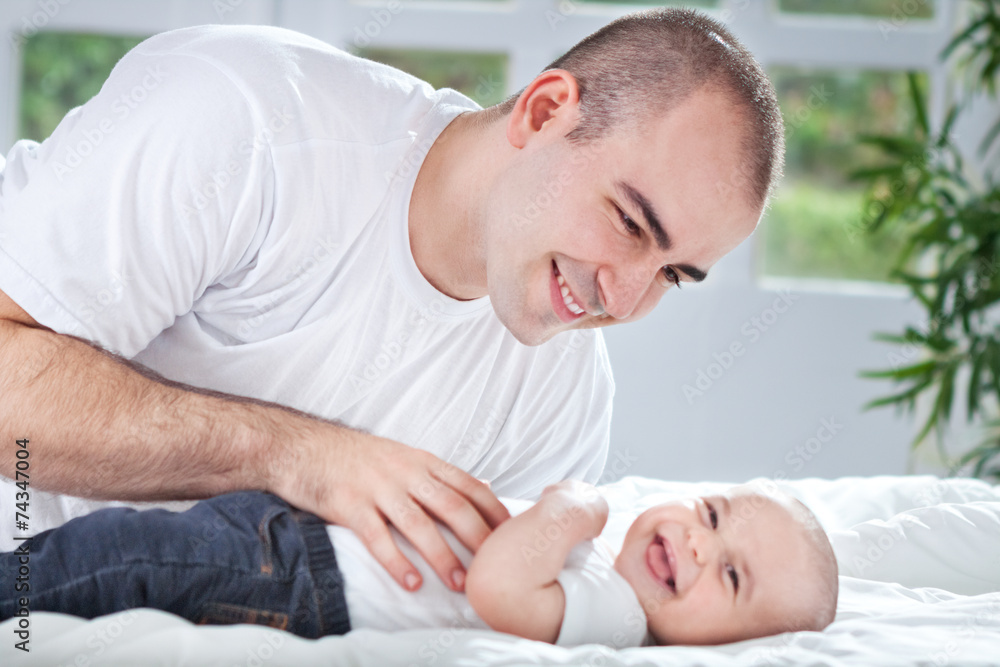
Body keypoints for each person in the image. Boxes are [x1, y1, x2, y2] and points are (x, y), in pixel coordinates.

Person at [0, 7, 783, 594]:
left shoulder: (564, 400)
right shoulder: (244, 116)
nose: (625, 295)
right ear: (545, 111)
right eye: (629, 222)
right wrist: (295, 455)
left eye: (674, 275)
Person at [0, 480, 838, 647]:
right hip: (297, 537)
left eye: (729, 575)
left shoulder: (616, 620)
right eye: (713, 515)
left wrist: (567, 512)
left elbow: (500, 586)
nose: (696, 542)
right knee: (110, 542)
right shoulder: (613, 578)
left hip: (298, 584)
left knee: (105, 562)